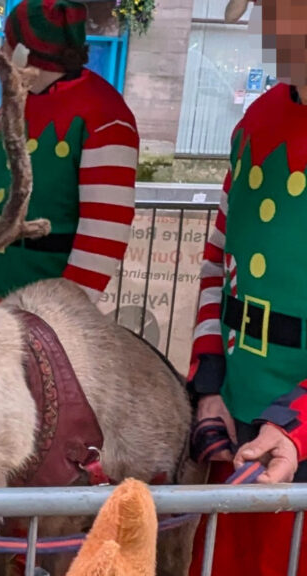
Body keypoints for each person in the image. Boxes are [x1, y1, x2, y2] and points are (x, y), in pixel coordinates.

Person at [186, 0, 307, 573]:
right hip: (238, 425)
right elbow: (219, 264)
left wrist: (297, 428)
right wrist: (209, 381)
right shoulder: (257, 117)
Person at [0, 0, 139, 303]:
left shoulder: (104, 114)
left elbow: (103, 236)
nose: (0, 49)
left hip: (54, 318)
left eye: (6, 41)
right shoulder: (9, 110)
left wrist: (59, 317)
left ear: (23, 53)